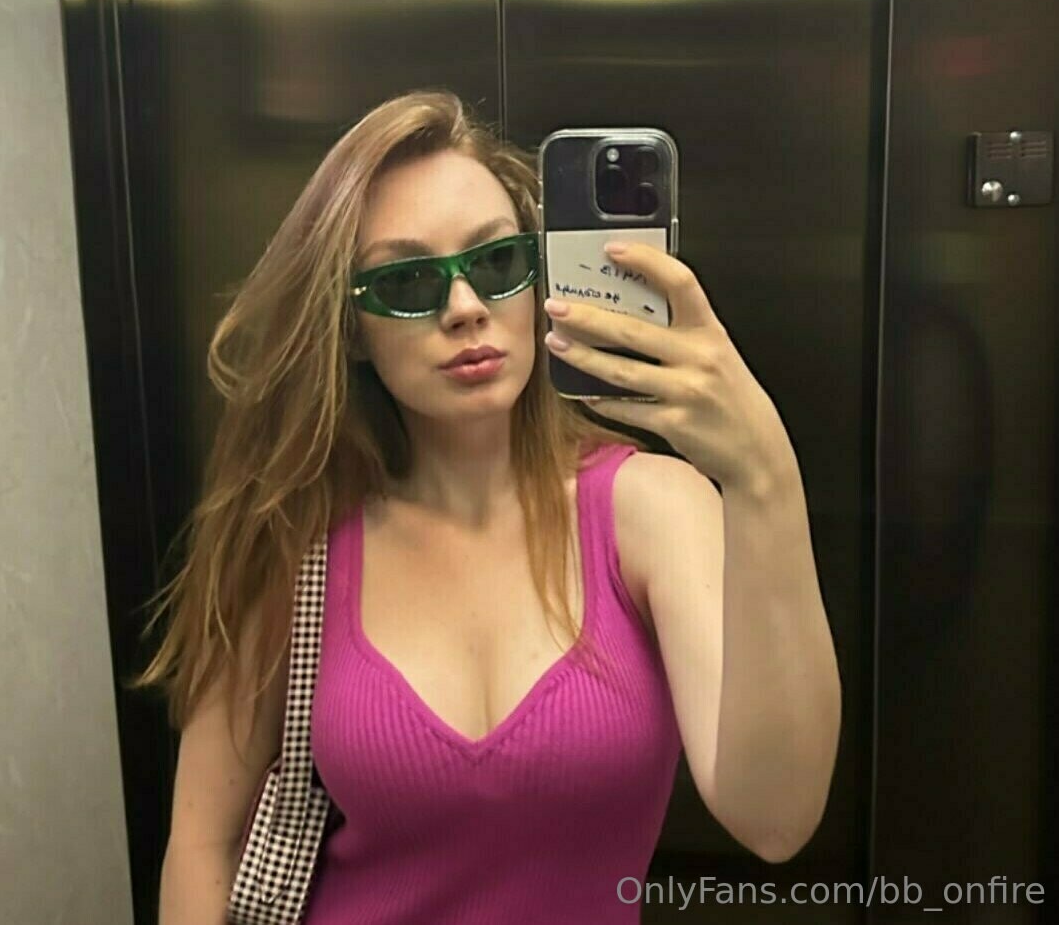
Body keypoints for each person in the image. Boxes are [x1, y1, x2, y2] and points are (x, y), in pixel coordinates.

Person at [135, 90, 841, 924]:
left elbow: (774, 819)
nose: (465, 306)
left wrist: (763, 474)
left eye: (498, 262)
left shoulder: (650, 513)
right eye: (406, 281)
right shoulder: (299, 544)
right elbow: (202, 843)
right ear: (351, 328)